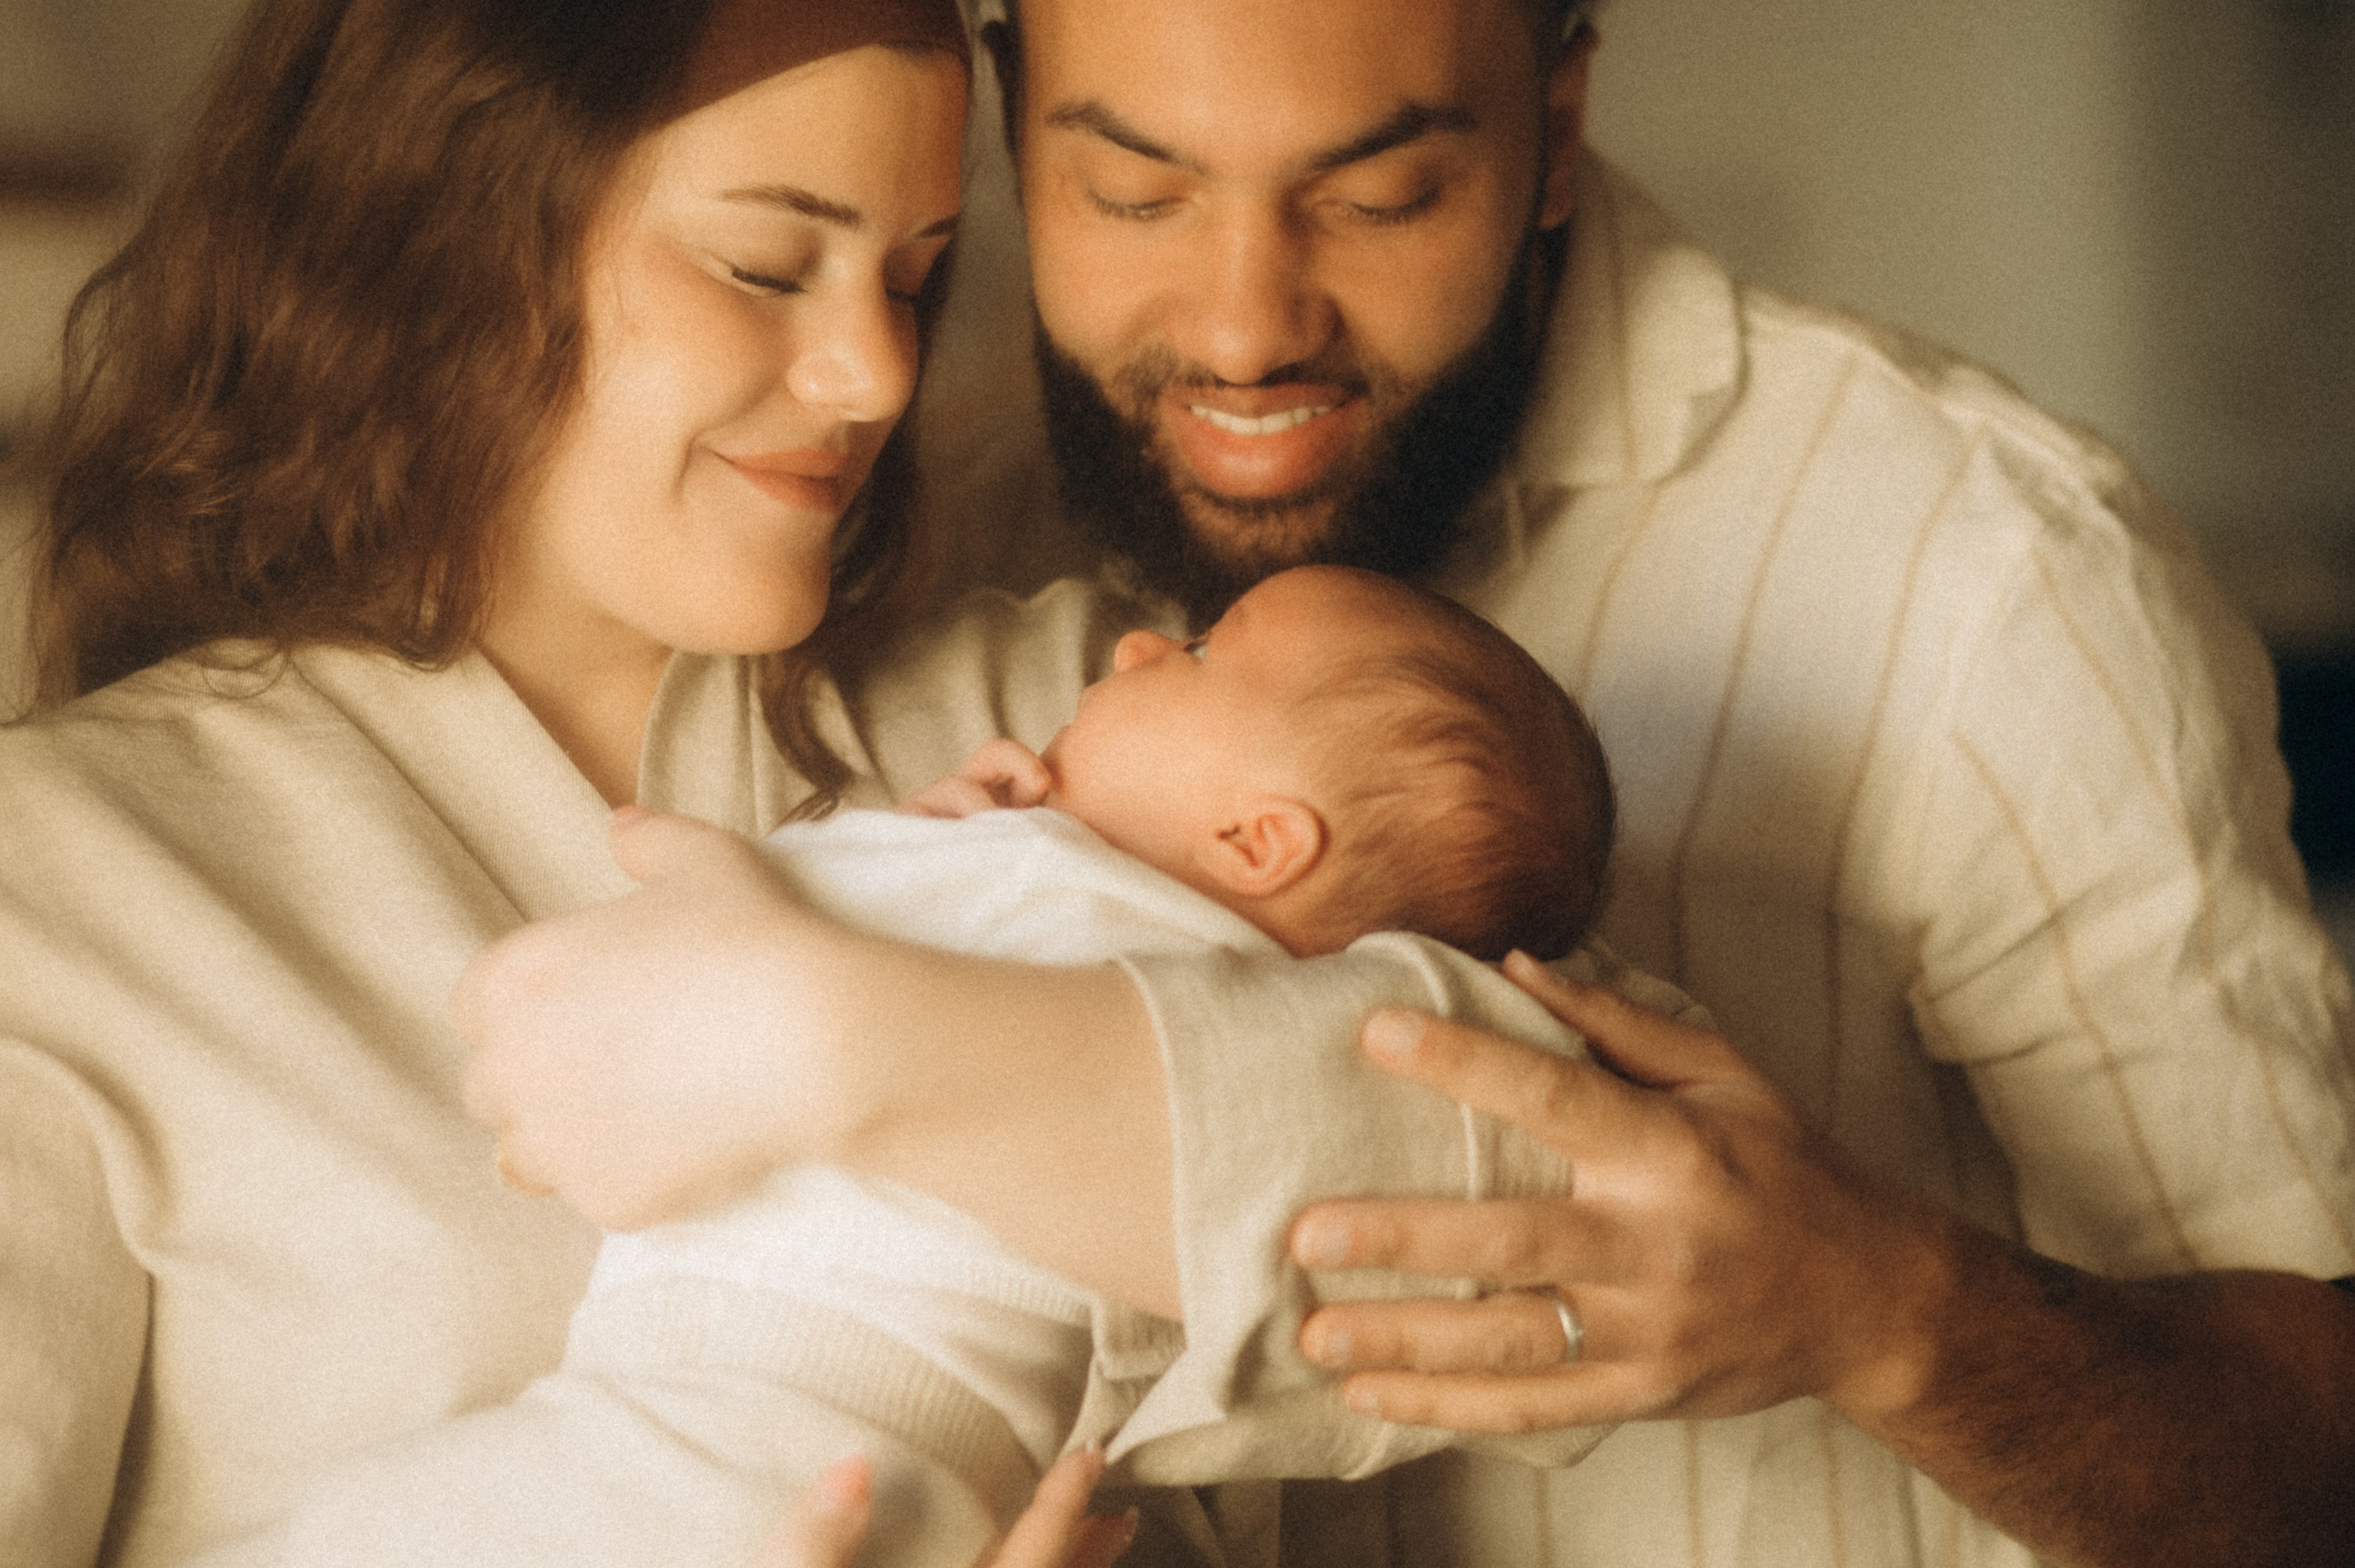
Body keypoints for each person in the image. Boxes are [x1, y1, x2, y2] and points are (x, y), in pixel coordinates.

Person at [459, 0, 2355, 1562]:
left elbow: (2320, 1455)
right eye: (1127, 191)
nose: (1236, 328)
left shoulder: (1972, 563)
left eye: (1375, 198)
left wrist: (1882, 1313)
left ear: (1552, 111)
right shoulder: (937, 543)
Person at [283, 562, 1629, 1566]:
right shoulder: (1145, 959)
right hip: (890, 1475)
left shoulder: (1139, 944)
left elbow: (712, 957)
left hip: (761, 1436)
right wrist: (935, 849)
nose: (1144, 640)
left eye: (1208, 653)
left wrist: (923, 855)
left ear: (1261, 843)